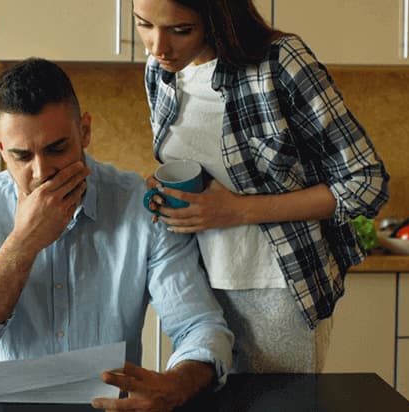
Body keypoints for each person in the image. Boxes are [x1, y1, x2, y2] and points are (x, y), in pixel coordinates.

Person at [0, 57, 234, 411]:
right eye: (22, 155)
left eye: (57, 149)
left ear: (84, 131)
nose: (42, 172)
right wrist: (23, 242)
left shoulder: (140, 205)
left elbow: (201, 326)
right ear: (0, 147)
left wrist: (176, 385)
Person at [134, 0, 390, 374]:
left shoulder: (279, 62)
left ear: (216, 16)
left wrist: (237, 210)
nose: (158, 47)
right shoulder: (160, 72)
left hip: (276, 289)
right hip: (195, 290)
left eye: (180, 30)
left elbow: (366, 182)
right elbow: (203, 166)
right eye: (144, 25)